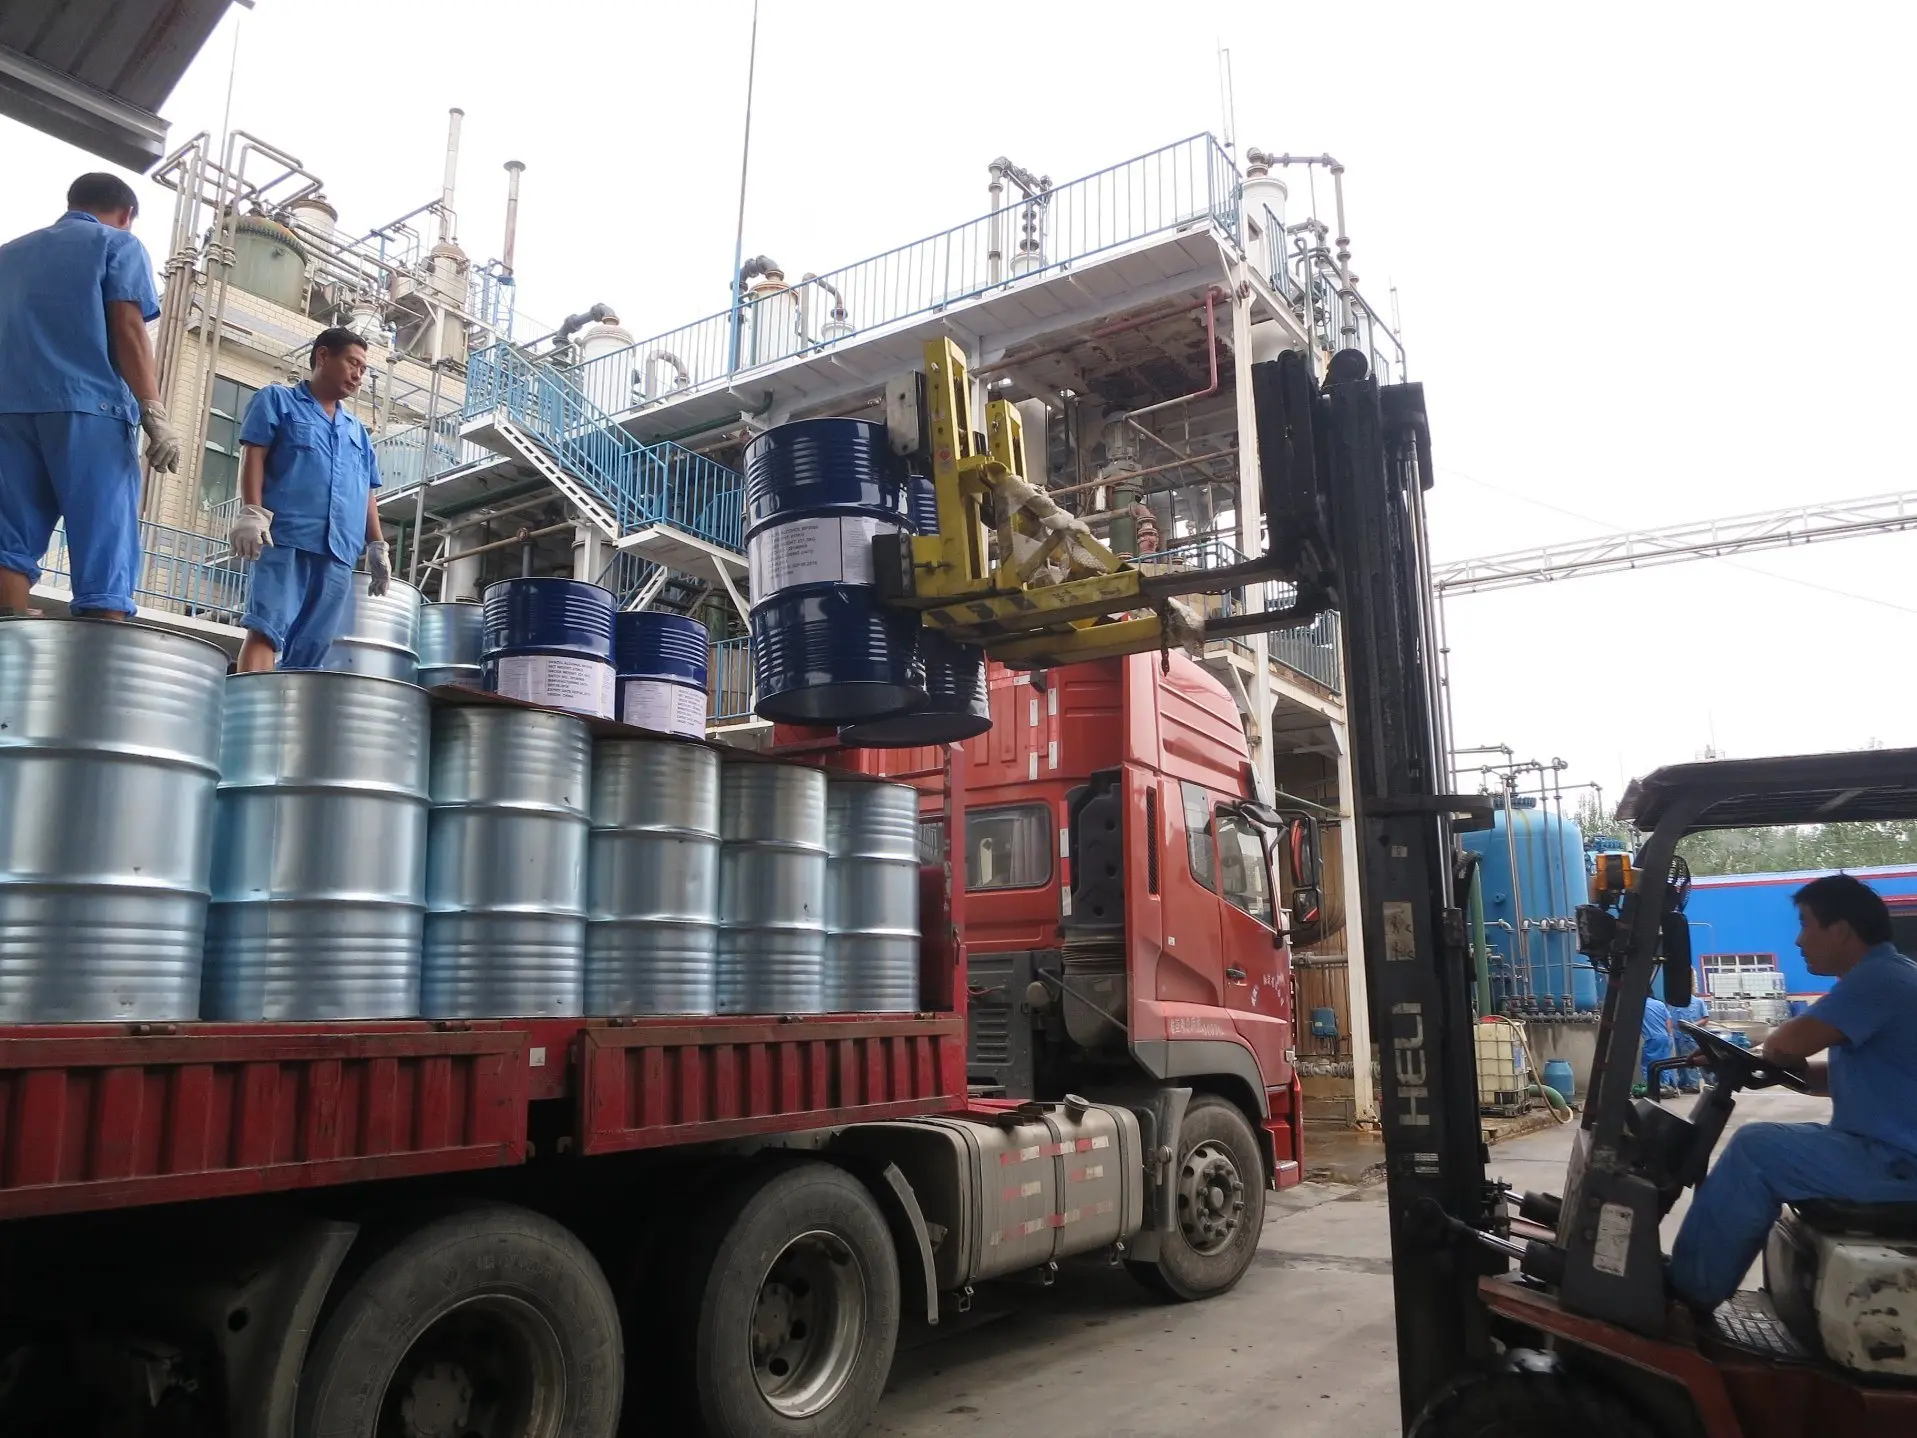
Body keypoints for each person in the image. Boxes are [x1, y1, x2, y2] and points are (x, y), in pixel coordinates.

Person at [1667, 875, 1917, 1314]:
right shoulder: (1890, 976)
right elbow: (1831, 1077)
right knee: (1765, 1145)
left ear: (1840, 930)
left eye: (1805, 924)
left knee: (1757, 1149)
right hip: (1883, 1151)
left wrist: (1769, 1056)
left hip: (1895, 1162)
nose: (1799, 940)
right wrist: (1767, 1068)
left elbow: (1783, 1044)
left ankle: (1685, 1296)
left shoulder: (1877, 979)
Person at [0, 173, 181, 618]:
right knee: (104, 546)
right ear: (126, 214)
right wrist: (153, 409)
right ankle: (99, 653)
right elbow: (128, 328)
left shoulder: (8, 255)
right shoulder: (117, 244)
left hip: (9, 414)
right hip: (89, 410)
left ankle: (8, 636)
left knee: (7, 543)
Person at [231, 327, 390, 671]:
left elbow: (366, 490)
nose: (358, 375)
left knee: (312, 650)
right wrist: (252, 511)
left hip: (338, 552)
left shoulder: (357, 431)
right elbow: (254, 455)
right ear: (323, 356)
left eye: (363, 369)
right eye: (353, 363)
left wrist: (377, 545)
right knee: (266, 629)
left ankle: (286, 708)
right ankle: (249, 704)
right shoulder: (278, 401)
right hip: (286, 538)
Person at [1640, 993, 1675, 1094]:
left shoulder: (1640, 1006)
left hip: (1652, 1039)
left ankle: (1653, 1088)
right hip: (1665, 1037)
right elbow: (1668, 1020)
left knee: (1648, 1065)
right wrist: (1670, 1036)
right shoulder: (1660, 1004)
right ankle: (1667, 1086)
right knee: (1664, 1062)